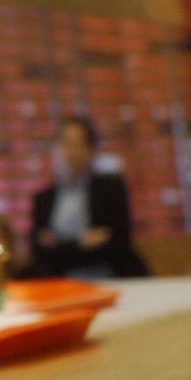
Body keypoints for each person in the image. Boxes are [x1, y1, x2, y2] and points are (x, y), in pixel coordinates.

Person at [25, 116, 148, 279]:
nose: (71, 151)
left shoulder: (110, 189)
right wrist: (82, 243)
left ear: (91, 149)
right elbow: (40, 253)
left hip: (112, 277)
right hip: (61, 283)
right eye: (65, 143)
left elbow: (118, 243)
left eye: (78, 144)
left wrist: (61, 246)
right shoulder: (43, 198)